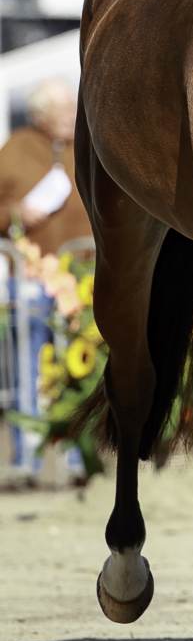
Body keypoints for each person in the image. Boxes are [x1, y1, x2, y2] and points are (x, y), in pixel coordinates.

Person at [0, 79, 91, 472]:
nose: (71, 116)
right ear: (39, 115)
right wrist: (15, 212)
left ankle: (74, 456)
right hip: (30, 281)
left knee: (78, 372)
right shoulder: (16, 147)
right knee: (28, 370)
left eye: (72, 108)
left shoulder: (88, 145)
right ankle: (28, 461)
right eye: (61, 111)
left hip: (82, 283)